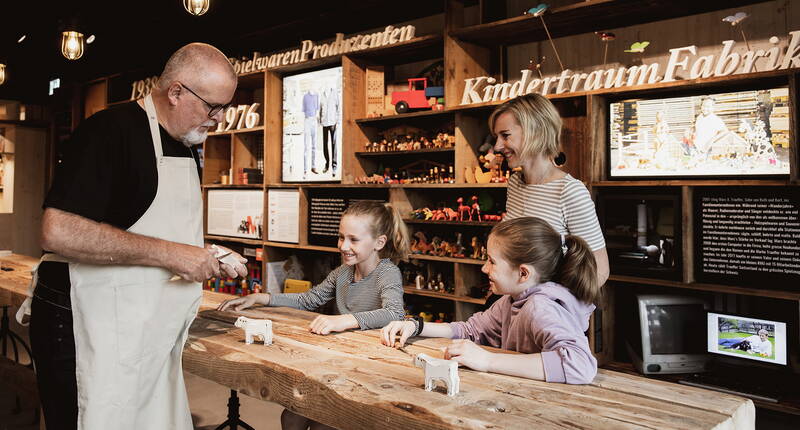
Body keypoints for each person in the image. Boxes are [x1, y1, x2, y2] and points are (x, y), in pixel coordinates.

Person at [19, 43, 247, 430]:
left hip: (146, 329)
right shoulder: (110, 131)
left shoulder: (185, 143)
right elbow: (58, 230)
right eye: (213, 107)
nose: (220, 118)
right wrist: (174, 255)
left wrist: (203, 254)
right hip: (84, 325)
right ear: (176, 92)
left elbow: (142, 228)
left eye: (225, 107)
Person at [218, 200, 410, 430]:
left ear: (379, 242)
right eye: (341, 237)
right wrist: (260, 298)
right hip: (339, 359)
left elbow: (394, 313)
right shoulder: (342, 273)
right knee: (291, 418)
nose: (344, 245)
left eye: (354, 240)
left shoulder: (387, 272)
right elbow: (308, 300)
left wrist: (343, 320)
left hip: (368, 368)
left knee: (322, 426)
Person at [382, 217, 600, 384]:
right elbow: (471, 329)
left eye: (492, 262)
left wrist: (488, 361)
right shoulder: (510, 301)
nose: (484, 268)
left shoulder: (541, 307)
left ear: (523, 273)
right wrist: (415, 326)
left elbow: (580, 365)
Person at [488, 93, 609, 286]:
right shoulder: (515, 184)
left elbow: (599, 270)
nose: (497, 146)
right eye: (497, 137)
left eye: (505, 135)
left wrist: (554, 305)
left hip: (547, 312)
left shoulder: (569, 191)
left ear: (535, 132)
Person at [320, 87, 339, 175]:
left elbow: (338, 108)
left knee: (334, 144)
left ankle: (334, 166)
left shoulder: (335, 93)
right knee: (325, 144)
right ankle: (327, 164)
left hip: (332, 122)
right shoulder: (322, 94)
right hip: (324, 123)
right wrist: (320, 120)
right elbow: (320, 108)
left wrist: (337, 121)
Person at [302, 87, 320, 178]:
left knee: (314, 146)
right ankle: (305, 169)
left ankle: (313, 167)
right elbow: (304, 110)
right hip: (307, 120)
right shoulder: (305, 96)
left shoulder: (317, 95)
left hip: (314, 121)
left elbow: (317, 108)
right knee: (306, 146)